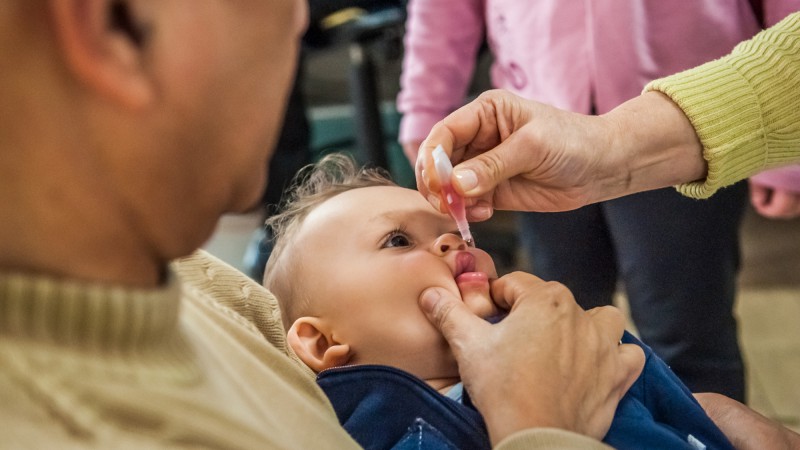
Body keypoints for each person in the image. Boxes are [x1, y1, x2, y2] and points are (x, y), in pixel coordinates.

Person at [0, 0, 642, 448]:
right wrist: (542, 427)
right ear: (112, 23)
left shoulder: (193, 296)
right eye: (397, 240)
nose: (301, 17)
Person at [415, 12, 800, 449]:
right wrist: (424, 107)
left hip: (694, 118)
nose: (446, 237)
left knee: (689, 326)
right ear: (322, 339)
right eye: (397, 240)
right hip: (533, 126)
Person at [263, 154, 736, 450]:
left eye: (452, 230)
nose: (454, 242)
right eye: (398, 240)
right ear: (323, 341)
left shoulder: (561, 348)